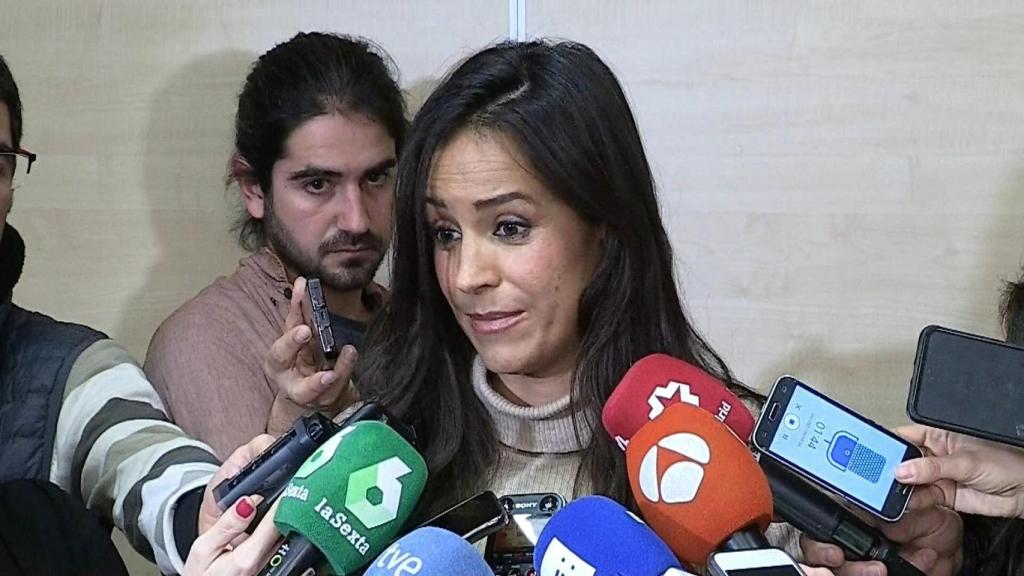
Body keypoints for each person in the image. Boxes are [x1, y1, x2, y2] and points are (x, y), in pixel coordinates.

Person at [347, 38, 801, 554]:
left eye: (510, 227)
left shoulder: (738, 461)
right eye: (445, 233)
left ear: (604, 228)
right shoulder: (377, 454)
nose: (467, 277)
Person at [144, 31, 407, 457]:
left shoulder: (415, 323)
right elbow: (238, 501)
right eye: (318, 184)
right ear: (253, 188)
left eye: (376, 178)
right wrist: (293, 415)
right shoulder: (204, 340)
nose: (357, 220)